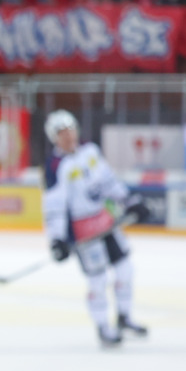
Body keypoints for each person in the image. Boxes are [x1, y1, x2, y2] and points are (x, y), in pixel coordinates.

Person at [42, 109, 149, 347]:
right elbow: (54, 205)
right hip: (84, 231)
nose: (68, 136)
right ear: (54, 138)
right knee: (98, 281)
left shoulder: (91, 151)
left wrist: (130, 200)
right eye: (62, 133)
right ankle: (103, 326)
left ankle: (124, 317)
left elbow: (108, 181)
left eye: (70, 130)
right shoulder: (56, 166)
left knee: (125, 270)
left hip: (105, 221)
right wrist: (57, 238)